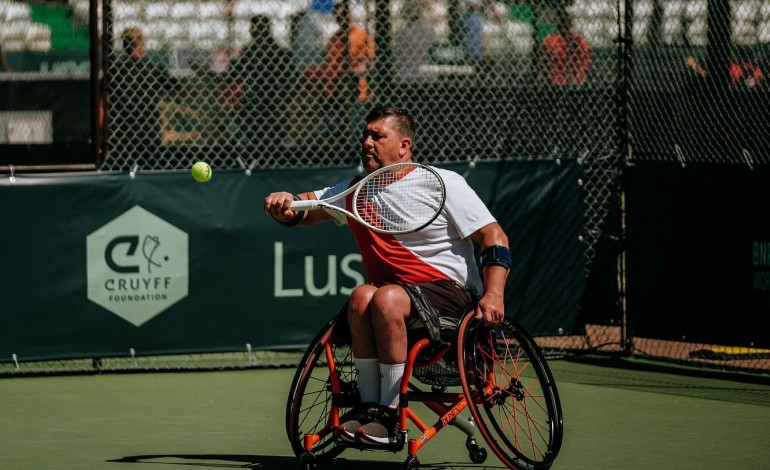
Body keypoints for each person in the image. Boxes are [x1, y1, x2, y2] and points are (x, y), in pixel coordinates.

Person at [263, 105, 510, 445]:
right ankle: (370, 409)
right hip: (393, 301)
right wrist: (285, 205)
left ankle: (390, 414)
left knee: (385, 296)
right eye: (365, 134)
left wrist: (494, 294)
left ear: (404, 145)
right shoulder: (355, 191)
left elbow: (494, 238)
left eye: (378, 136)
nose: (367, 142)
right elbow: (305, 207)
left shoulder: (442, 183)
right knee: (362, 295)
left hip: (451, 297)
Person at [229, 15, 296, 149]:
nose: (255, 32)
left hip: (274, 98)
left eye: (259, 28)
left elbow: (291, 79)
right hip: (253, 98)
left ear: (267, 30)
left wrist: (286, 101)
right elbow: (235, 73)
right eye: (254, 28)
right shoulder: (249, 52)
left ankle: (278, 140)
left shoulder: (281, 53)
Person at [109, 27, 171, 164]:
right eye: (141, 44)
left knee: (127, 161)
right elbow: (173, 86)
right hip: (148, 128)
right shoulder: (152, 69)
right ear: (137, 46)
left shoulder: (117, 70)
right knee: (150, 162)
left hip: (126, 127)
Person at [537, 9, 591, 86]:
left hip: (574, 83)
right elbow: (543, 63)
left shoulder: (582, 43)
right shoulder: (550, 41)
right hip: (556, 82)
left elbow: (586, 65)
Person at [394, 0, 436, 83]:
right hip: (426, 72)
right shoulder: (429, 28)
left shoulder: (400, 31)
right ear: (420, 11)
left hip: (405, 73)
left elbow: (398, 52)